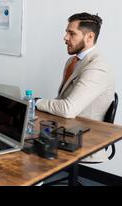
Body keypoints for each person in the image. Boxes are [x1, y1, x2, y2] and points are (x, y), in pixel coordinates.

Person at [36, 12, 115, 162]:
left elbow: (67, 109)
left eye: (71, 33)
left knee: (28, 146)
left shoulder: (98, 67)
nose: (65, 38)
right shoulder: (73, 61)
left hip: (84, 138)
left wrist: (37, 102)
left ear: (89, 37)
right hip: (65, 127)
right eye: (66, 32)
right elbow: (61, 100)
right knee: (18, 132)